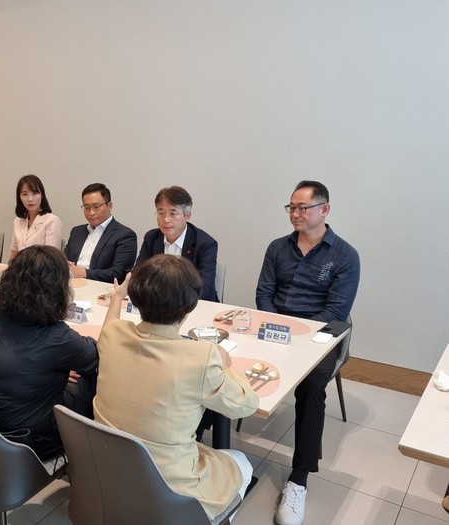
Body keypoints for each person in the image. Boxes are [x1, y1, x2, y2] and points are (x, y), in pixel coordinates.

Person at [94, 254, 259, 520]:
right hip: (167, 486)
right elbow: (246, 405)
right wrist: (225, 363)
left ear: (136, 298)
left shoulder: (113, 336)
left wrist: (117, 297)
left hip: (109, 470)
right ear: (189, 307)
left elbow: (110, 326)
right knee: (241, 462)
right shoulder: (201, 358)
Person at [256, 180, 360, 525]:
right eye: (292, 207)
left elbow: (336, 311)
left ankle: (299, 478)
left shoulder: (345, 256)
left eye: (303, 208)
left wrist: (297, 335)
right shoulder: (277, 248)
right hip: (276, 329)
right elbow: (264, 294)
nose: (296, 214)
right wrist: (278, 328)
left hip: (320, 338)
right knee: (227, 358)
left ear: (324, 209)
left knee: (313, 385)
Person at [0, 245, 97, 460]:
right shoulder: (57, 336)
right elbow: (95, 354)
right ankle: (90, 460)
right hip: (26, 441)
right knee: (89, 377)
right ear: (58, 289)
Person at [134, 186, 219, 301]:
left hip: (194, 304)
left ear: (187, 216)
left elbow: (204, 287)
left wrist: (166, 297)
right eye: (161, 213)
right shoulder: (152, 238)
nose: (166, 219)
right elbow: (137, 275)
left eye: (173, 213)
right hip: (156, 303)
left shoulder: (205, 243)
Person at [65, 183, 137, 283]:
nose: (91, 212)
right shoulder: (76, 232)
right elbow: (63, 259)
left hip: (100, 287)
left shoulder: (125, 235)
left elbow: (119, 273)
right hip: (70, 284)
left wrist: (83, 273)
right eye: (87, 207)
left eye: (96, 206)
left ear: (109, 206)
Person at [8, 174, 62, 262]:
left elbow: (51, 259)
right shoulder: (17, 221)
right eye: (25, 194)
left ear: (42, 195)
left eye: (35, 193)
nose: (30, 199)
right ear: (19, 197)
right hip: (20, 268)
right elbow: (14, 253)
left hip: (42, 269)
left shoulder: (52, 221)